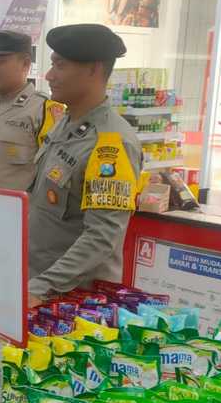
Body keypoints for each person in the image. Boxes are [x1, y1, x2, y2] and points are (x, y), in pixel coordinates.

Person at [28, 24, 141, 304]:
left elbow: (101, 237)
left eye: (60, 65)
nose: (49, 75)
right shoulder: (66, 123)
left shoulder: (110, 144)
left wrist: (40, 288)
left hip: (75, 302)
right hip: (40, 287)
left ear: (94, 69)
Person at [0, 30, 57, 245]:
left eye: (0, 61)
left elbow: (51, 178)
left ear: (25, 64)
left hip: (23, 226)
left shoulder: (43, 110)